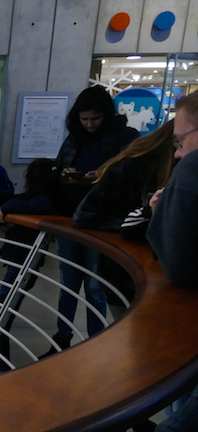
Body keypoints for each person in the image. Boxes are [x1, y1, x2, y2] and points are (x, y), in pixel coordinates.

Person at [141, 91, 198, 432]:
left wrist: (163, 213)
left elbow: (177, 259)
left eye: (179, 140)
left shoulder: (194, 170)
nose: (177, 153)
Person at [40, 86, 139, 355]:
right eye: (84, 119)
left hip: (103, 223)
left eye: (94, 118)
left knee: (96, 286)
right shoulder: (74, 139)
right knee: (68, 283)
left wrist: (104, 176)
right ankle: (62, 338)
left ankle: (96, 342)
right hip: (71, 218)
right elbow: (57, 170)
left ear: (105, 115)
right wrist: (65, 175)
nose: (89, 124)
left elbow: (133, 177)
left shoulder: (124, 138)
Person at [0, 158, 62, 379]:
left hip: (25, 264)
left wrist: (6, 207)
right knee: (2, 313)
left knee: (0, 313)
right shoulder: (32, 198)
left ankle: (0, 366)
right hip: (19, 262)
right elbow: (9, 197)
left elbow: (33, 204)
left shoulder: (44, 201)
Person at [74, 120, 177, 232]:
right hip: (119, 240)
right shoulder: (133, 165)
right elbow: (85, 215)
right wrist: (133, 224)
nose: (90, 124)